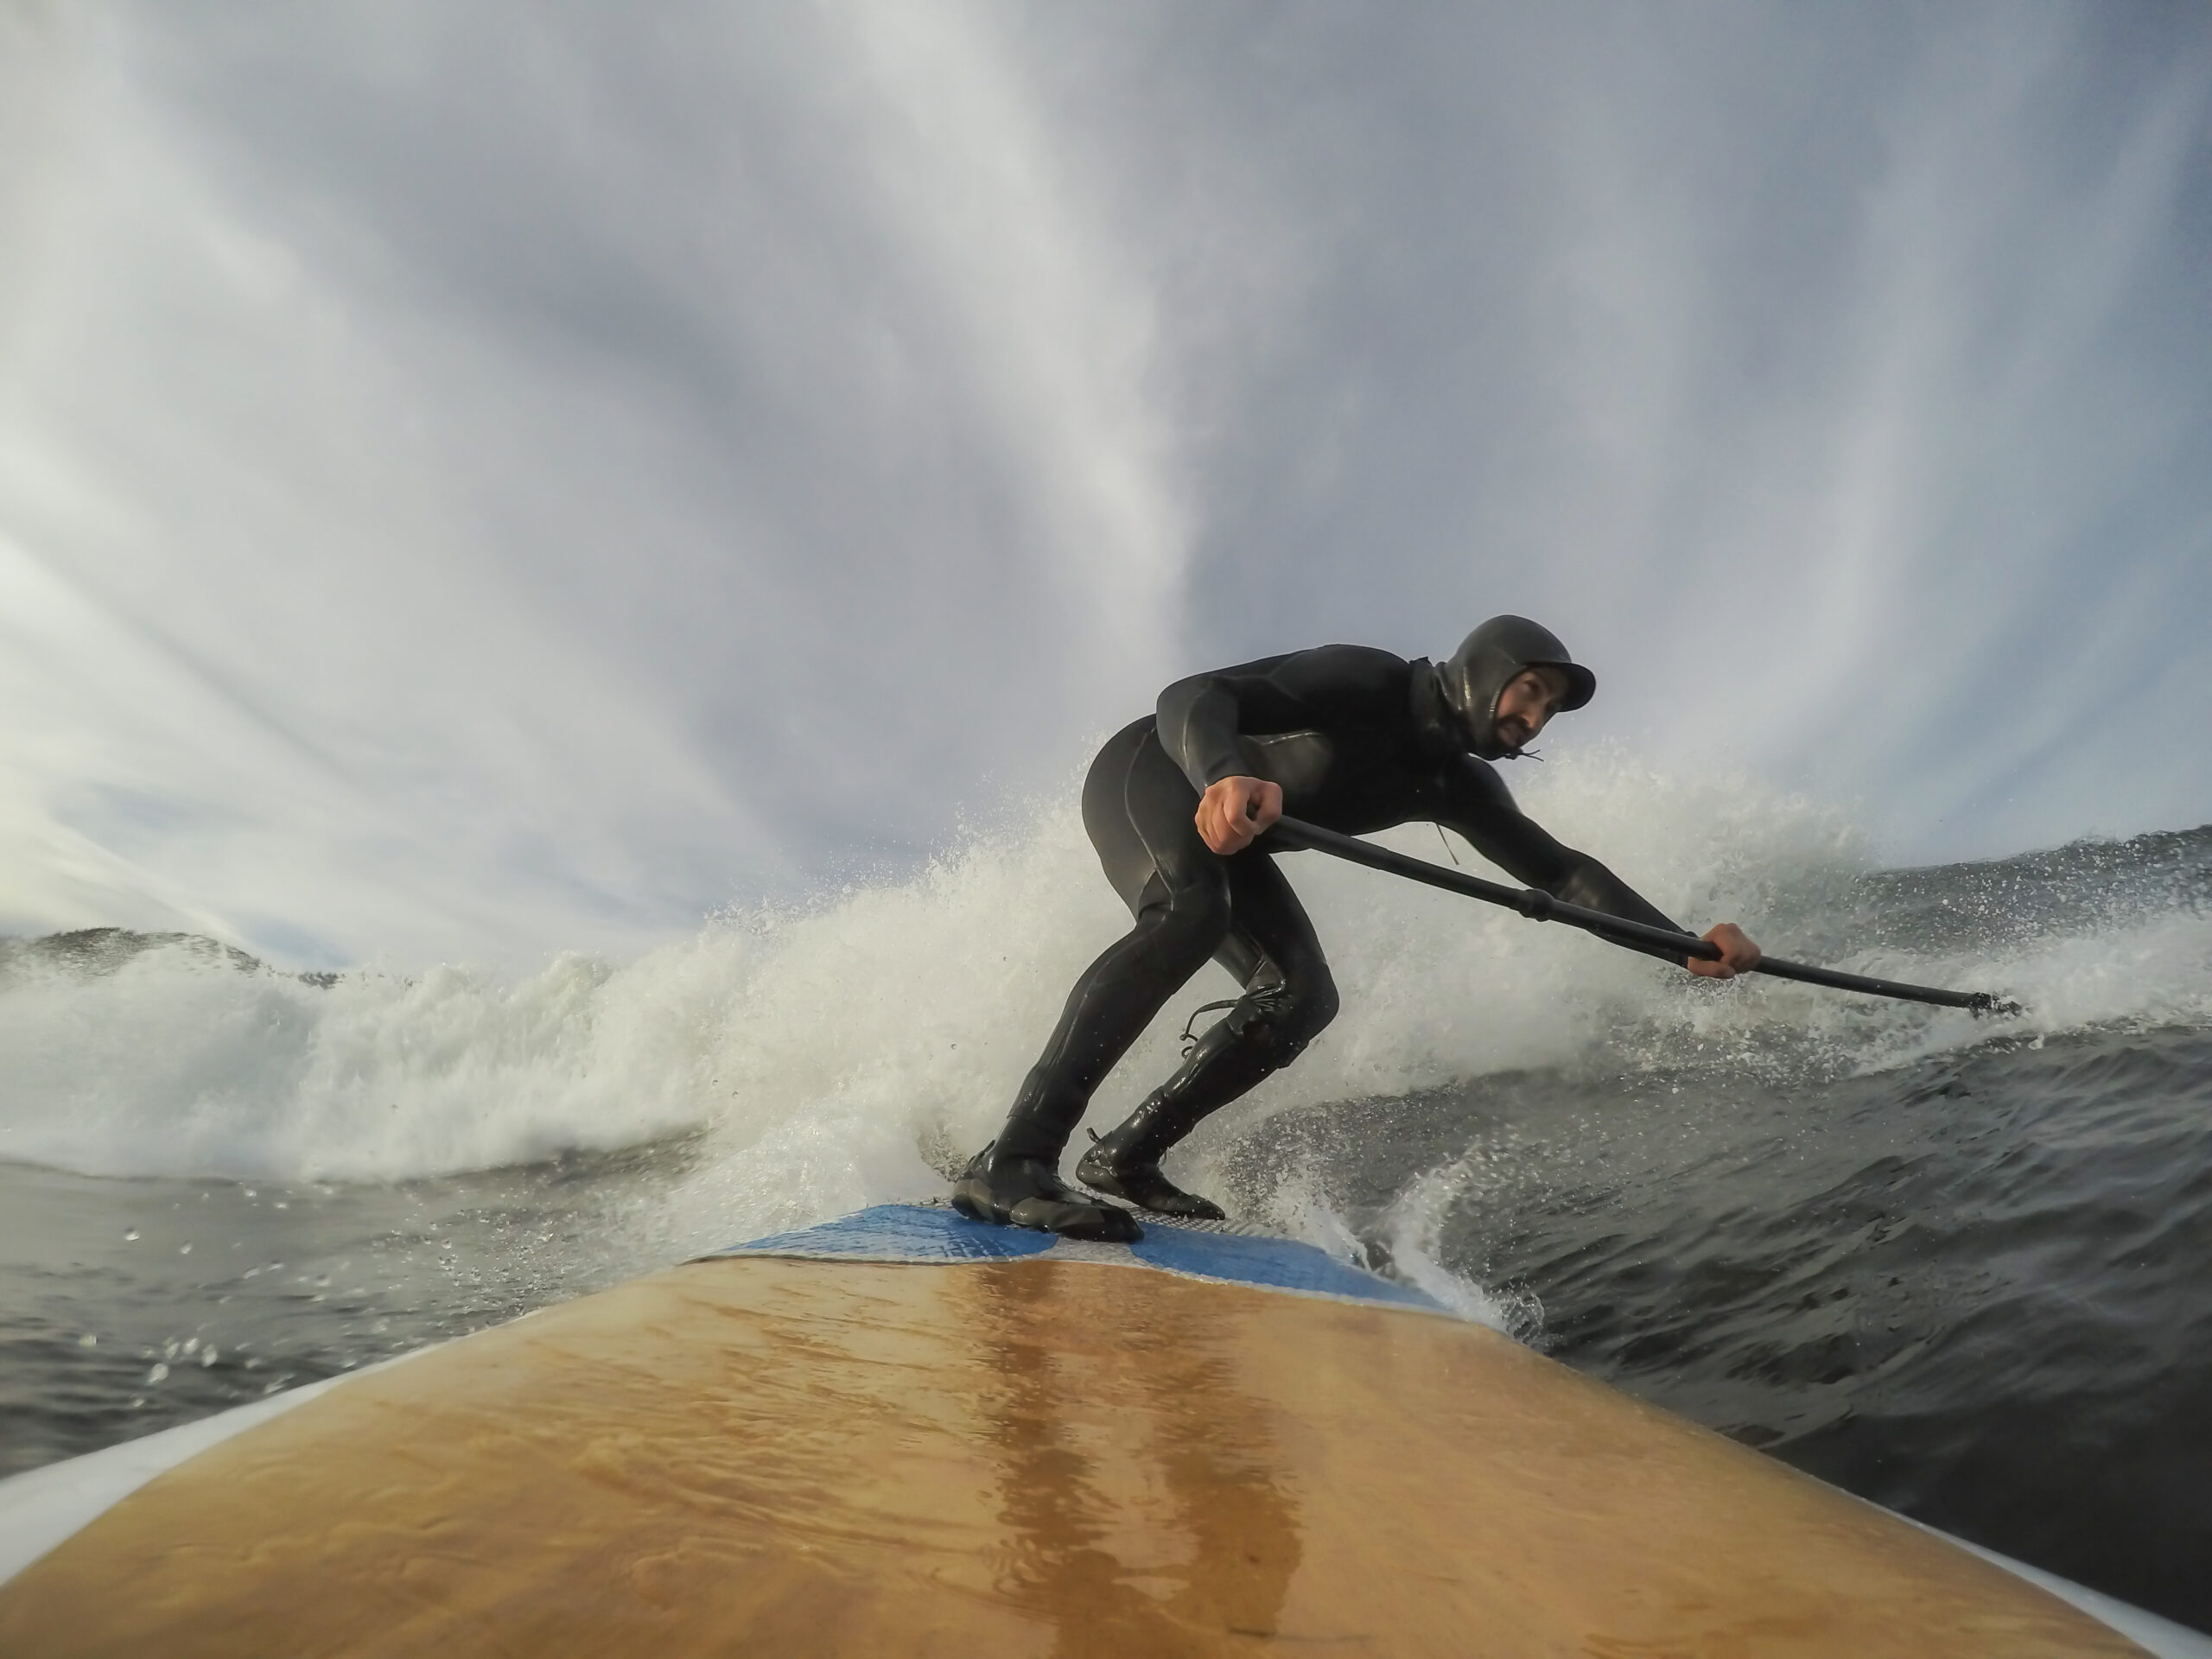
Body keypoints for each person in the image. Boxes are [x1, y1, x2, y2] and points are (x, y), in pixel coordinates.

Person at [952, 616, 1761, 1242]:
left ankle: (1125, 1157)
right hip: (1156, 771)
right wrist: (1224, 773)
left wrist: (1685, 945)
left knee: (1302, 998)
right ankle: (1014, 1159)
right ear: (1483, 671)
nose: (1537, 718)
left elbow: (1563, 876)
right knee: (1193, 912)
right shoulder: (1369, 680)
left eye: (1550, 709)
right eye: (1531, 691)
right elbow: (1193, 698)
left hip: (1231, 827)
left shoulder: (1460, 787)